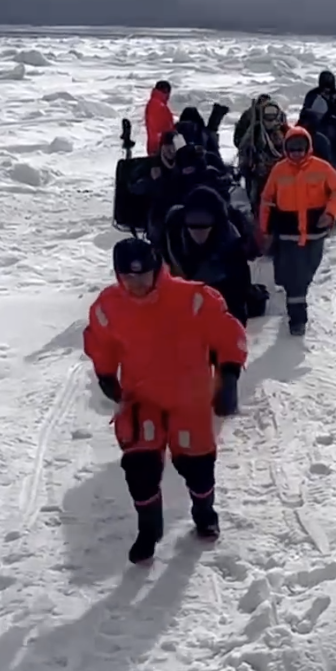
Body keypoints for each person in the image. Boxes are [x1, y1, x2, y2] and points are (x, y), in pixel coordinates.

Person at [82, 236, 249, 563]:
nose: (137, 283)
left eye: (143, 275)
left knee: (196, 465)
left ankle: (204, 511)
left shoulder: (194, 298)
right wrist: (105, 375)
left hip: (190, 399)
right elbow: (100, 343)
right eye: (128, 277)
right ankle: (149, 528)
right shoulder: (108, 307)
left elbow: (229, 335)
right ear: (118, 275)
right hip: (141, 399)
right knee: (139, 468)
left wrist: (229, 376)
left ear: (157, 267)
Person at [257, 126, 336, 335]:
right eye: (292, 147)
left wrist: (330, 214)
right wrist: (265, 228)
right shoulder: (279, 170)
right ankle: (297, 320)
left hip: (315, 233)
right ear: (286, 148)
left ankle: (294, 292)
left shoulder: (322, 168)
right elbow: (267, 200)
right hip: (288, 234)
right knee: (296, 280)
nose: (296, 152)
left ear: (308, 147)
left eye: (300, 147)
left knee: (306, 274)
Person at [161, 186, 260, 329]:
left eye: (205, 221)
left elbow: (238, 298)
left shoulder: (232, 245)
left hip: (220, 313)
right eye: (192, 221)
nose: (198, 230)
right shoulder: (172, 239)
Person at [235, 96, 288, 203]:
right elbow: (243, 147)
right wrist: (247, 167)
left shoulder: (283, 130)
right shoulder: (254, 132)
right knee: (256, 199)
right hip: (257, 172)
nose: (271, 120)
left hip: (278, 172)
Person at [145, 80, 175, 155]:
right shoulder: (161, 107)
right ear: (166, 91)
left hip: (152, 144)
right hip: (160, 146)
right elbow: (166, 128)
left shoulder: (152, 103)